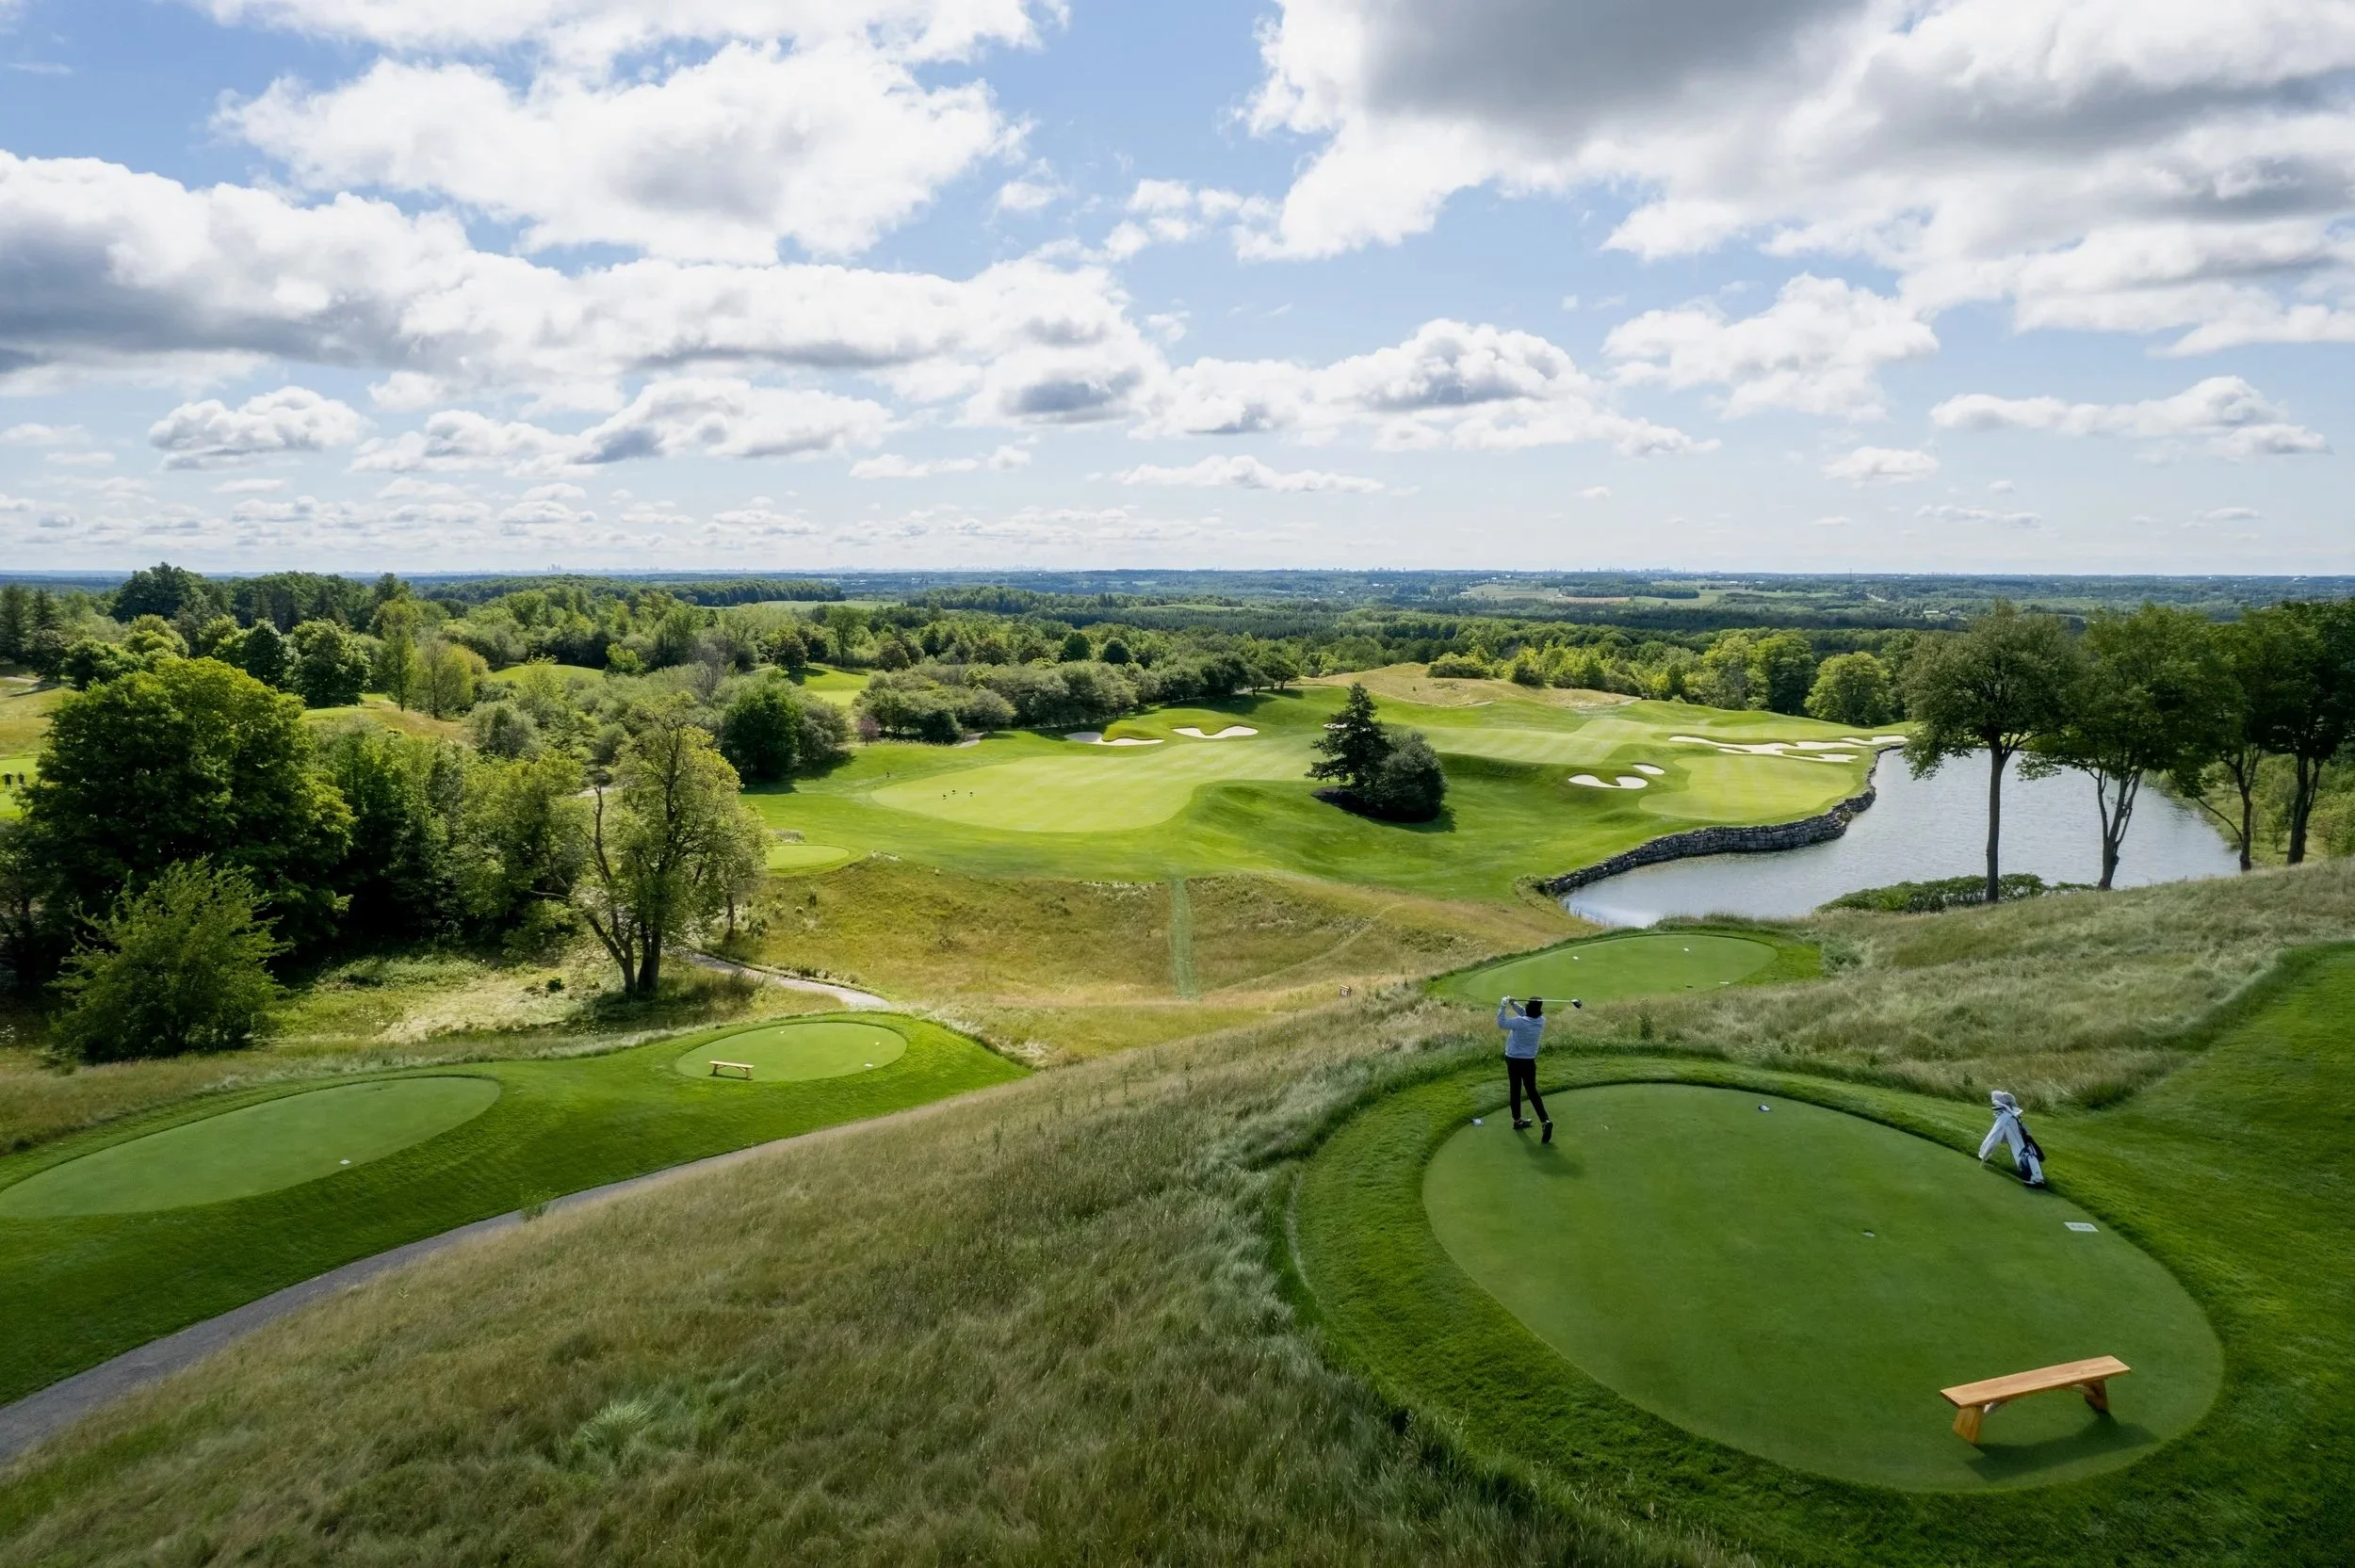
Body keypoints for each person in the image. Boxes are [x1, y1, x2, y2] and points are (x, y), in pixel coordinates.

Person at [1497, 995, 1551, 1142]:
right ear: (1539, 1009)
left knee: (1515, 1090)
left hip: (1513, 1060)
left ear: (1528, 1007)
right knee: (1532, 1091)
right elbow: (1525, 1013)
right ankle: (1545, 1121)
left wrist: (1503, 1005)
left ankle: (1517, 1121)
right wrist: (1514, 1004)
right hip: (1529, 1061)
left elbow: (1501, 1023)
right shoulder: (1541, 1021)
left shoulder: (1520, 1022)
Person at [1978, 1090, 2046, 1188]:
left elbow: (1994, 1138)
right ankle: (2035, 1177)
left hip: (2010, 1125)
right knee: (2024, 1151)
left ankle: (2033, 1177)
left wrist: (1984, 1155)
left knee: (2021, 1152)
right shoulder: (2011, 1116)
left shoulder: (2005, 1117)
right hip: (2014, 1125)